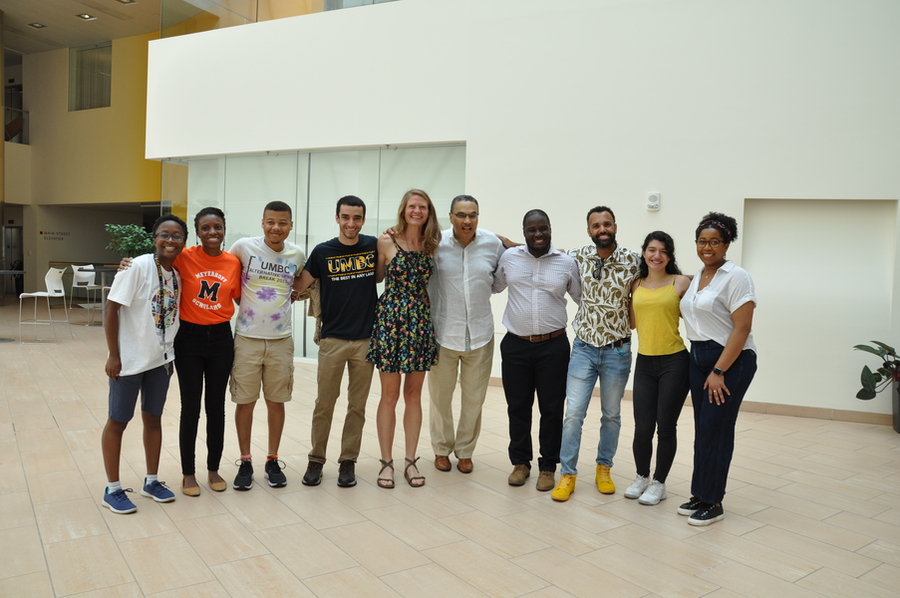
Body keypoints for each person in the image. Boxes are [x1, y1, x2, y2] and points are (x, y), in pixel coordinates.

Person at [100, 215, 187, 514]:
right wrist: (114, 354)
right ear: (155, 238)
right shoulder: (136, 266)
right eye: (165, 234)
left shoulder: (176, 275)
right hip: (130, 361)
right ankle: (112, 489)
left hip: (160, 362)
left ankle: (151, 481)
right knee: (118, 421)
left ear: (184, 242)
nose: (170, 240)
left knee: (153, 418)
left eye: (177, 236)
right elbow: (111, 308)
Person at [552, 206, 640, 502]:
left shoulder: (633, 260)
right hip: (584, 349)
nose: (602, 229)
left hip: (618, 349)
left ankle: (604, 467)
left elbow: (663, 276)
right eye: (596, 225)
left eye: (607, 224)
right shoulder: (577, 257)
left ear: (615, 226)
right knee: (574, 414)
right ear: (589, 230)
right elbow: (546, 251)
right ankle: (568, 473)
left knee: (611, 414)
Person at [292, 195, 378, 488]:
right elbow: (298, 286)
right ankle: (316, 460)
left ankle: (347, 462)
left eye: (356, 218)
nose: (350, 223)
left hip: (366, 340)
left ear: (363, 220)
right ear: (337, 218)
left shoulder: (373, 246)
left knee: (357, 406)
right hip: (332, 340)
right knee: (324, 403)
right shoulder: (322, 252)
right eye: (345, 217)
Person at [493, 210, 581, 492]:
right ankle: (520, 463)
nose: (538, 234)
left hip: (553, 346)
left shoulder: (566, 263)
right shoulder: (509, 258)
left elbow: (581, 297)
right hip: (516, 345)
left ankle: (547, 467)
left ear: (550, 229)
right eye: (532, 230)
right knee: (517, 407)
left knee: (551, 409)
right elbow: (495, 286)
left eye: (542, 229)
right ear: (523, 232)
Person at [678, 212, 757, 526]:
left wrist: (720, 370)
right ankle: (700, 493)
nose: (707, 247)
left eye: (714, 242)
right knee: (704, 429)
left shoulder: (736, 277)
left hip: (729, 362)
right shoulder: (699, 275)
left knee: (717, 430)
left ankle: (713, 501)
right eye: (702, 241)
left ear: (726, 244)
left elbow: (742, 328)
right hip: (698, 359)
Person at [229, 201, 306, 490]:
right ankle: (245, 461)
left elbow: (300, 285)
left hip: (281, 340)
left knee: (276, 402)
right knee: (245, 402)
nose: (277, 227)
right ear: (262, 223)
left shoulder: (297, 254)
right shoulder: (243, 247)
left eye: (283, 222)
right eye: (271, 222)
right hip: (247, 339)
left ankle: (272, 459)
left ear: (290, 226)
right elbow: (222, 270)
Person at [368, 189, 441, 489]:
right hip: (390, 321)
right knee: (389, 396)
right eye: (412, 206)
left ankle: (411, 461)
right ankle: (387, 462)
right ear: (404, 209)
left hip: (420, 323)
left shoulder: (434, 244)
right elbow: (376, 278)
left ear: (428, 211)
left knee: (413, 396)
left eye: (422, 207)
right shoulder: (385, 241)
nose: (417, 211)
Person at [428, 194, 506, 474]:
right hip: (442, 335)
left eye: (472, 214)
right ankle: (440, 449)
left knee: (474, 399)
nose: (467, 220)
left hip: (480, 334)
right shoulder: (434, 243)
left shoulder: (492, 243)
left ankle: (465, 451)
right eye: (461, 215)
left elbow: (498, 280)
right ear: (450, 217)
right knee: (440, 398)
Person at [172, 208, 242, 496]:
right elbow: (157, 263)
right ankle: (188, 473)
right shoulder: (184, 257)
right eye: (205, 228)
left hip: (221, 338)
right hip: (188, 338)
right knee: (191, 408)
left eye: (217, 227)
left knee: (216, 407)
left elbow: (240, 297)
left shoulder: (233, 263)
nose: (212, 232)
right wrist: (128, 263)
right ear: (197, 232)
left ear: (225, 229)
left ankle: (213, 469)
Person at [623, 231, 690, 505]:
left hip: (675, 361)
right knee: (642, 427)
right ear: (644, 253)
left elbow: (698, 313)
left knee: (666, 427)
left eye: (662, 251)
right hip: (645, 361)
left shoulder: (681, 282)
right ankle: (642, 477)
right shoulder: (635, 284)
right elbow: (631, 324)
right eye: (652, 250)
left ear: (669, 256)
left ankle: (659, 483)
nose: (656, 255)